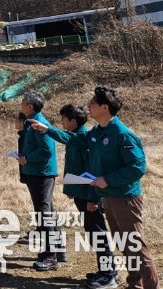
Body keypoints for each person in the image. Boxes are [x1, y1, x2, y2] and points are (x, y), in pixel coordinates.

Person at [32, 87, 159, 289]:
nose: (89, 106)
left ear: (104, 107)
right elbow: (74, 139)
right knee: (123, 243)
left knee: (135, 245)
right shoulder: (96, 132)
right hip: (108, 197)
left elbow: (137, 168)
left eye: (93, 103)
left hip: (125, 198)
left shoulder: (122, 134)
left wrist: (107, 179)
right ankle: (135, 284)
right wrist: (47, 130)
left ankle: (151, 285)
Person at [41, 104, 119, 289]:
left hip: (89, 196)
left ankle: (109, 275)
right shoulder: (78, 136)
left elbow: (92, 171)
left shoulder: (83, 139)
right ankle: (105, 271)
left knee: (98, 234)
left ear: (73, 121)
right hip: (82, 194)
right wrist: (73, 190)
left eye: (64, 119)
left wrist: (93, 198)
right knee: (94, 233)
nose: (62, 122)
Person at [17, 90, 63, 271]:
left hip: (41, 174)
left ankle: (50, 256)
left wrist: (27, 158)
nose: (21, 104)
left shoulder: (39, 123)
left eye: (23, 101)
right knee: (47, 212)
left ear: (29, 106)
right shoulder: (30, 122)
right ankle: (57, 250)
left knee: (44, 214)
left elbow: (46, 151)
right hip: (36, 173)